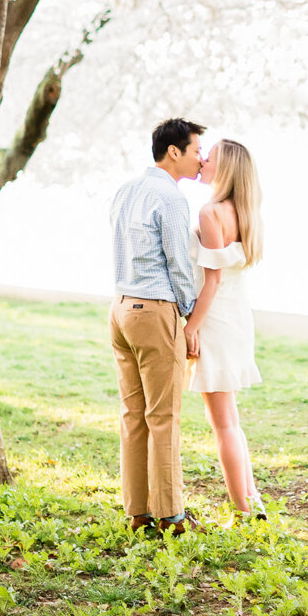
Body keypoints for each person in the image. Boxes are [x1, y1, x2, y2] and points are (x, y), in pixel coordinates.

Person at [108, 117, 205, 538]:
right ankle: (172, 515)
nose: (202, 158)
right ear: (175, 152)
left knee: (135, 415)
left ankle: (138, 512)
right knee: (163, 416)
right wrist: (189, 314)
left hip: (121, 309)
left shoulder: (126, 190)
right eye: (197, 150)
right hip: (154, 312)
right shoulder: (170, 198)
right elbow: (179, 263)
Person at [184, 138, 266, 519]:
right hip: (236, 316)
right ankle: (253, 501)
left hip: (215, 318)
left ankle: (244, 511)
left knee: (222, 425)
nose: (202, 160)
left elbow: (211, 280)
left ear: (226, 169)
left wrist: (191, 327)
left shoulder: (211, 212)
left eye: (210, 157)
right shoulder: (245, 212)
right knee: (229, 420)